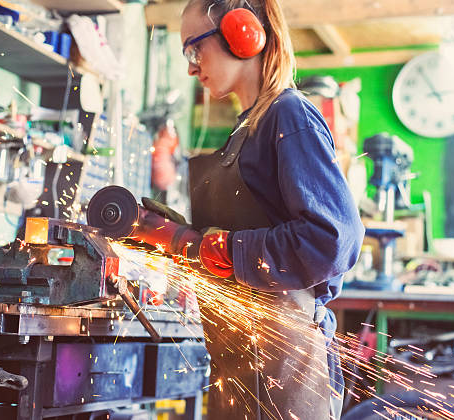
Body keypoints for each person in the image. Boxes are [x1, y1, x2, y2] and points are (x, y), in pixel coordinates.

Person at [140, 0, 364, 418]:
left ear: (243, 33)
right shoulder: (248, 129)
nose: (192, 67)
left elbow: (333, 238)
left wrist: (227, 250)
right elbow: (229, 248)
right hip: (240, 356)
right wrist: (166, 236)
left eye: (195, 49)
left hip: (285, 360)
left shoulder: (289, 114)